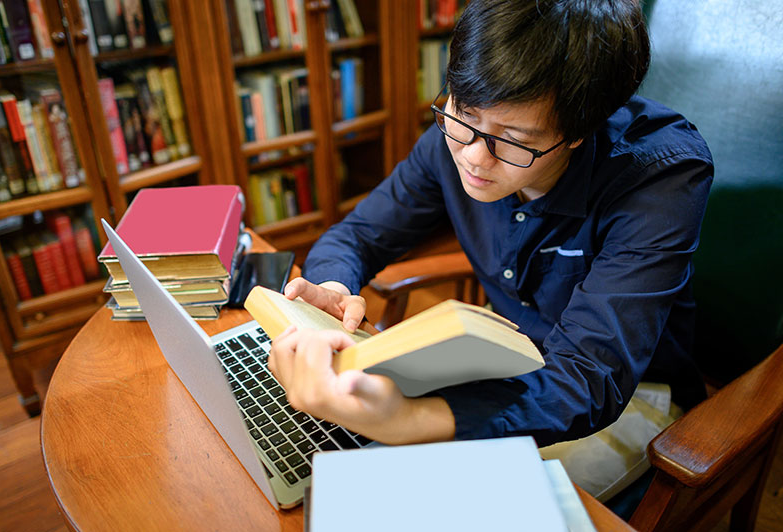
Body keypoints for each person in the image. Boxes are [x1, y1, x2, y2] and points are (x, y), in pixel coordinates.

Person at [268, 0, 713, 448]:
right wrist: (335, 289)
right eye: (464, 112)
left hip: (622, 396)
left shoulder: (661, 176)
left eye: (513, 141)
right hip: (503, 355)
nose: (475, 157)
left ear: (580, 131)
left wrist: (411, 420)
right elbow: (359, 235)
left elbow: (589, 379)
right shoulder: (459, 136)